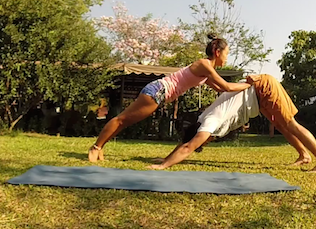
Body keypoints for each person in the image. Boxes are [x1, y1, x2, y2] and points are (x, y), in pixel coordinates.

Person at [88, 34, 251, 162]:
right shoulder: (204, 65)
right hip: (158, 90)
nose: (227, 58)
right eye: (227, 54)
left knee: (125, 121)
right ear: (217, 52)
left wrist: (242, 88)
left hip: (159, 92)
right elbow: (227, 86)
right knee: (123, 119)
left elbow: (220, 89)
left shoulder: (206, 70)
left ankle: (100, 147)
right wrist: (249, 84)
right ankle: (96, 147)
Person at [147, 74, 316, 173]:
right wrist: (166, 158)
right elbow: (187, 141)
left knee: (291, 124)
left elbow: (188, 146)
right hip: (259, 99)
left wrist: (163, 166)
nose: (205, 143)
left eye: (202, 142)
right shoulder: (202, 120)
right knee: (282, 126)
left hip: (264, 89)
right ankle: (304, 156)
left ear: (201, 134)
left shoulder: (209, 122)